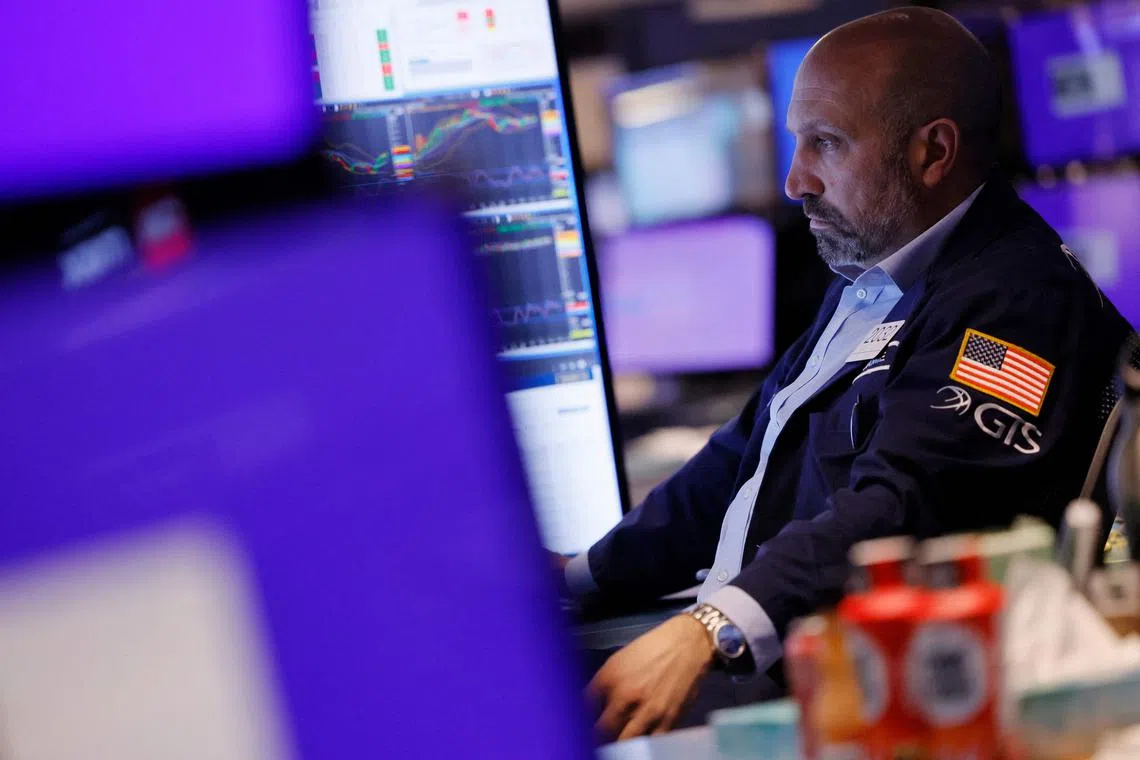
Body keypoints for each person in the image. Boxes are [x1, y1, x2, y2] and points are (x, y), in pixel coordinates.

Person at [566, 7, 1135, 741]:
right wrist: (581, 578)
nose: (796, 179)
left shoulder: (1013, 303)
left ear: (933, 152)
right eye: (797, 142)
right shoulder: (876, 275)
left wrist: (709, 629)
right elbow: (740, 457)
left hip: (852, 695)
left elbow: (905, 501)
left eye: (826, 144)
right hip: (766, 651)